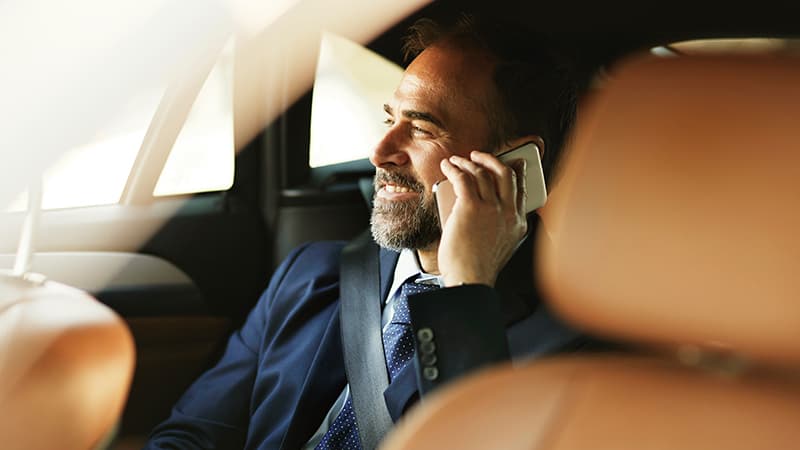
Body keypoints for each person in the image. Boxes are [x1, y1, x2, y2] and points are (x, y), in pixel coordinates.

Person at [146, 14, 596, 450]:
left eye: (421, 128)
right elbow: (193, 433)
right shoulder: (309, 275)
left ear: (514, 166)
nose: (379, 152)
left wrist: (466, 292)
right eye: (389, 119)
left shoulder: (577, 348)